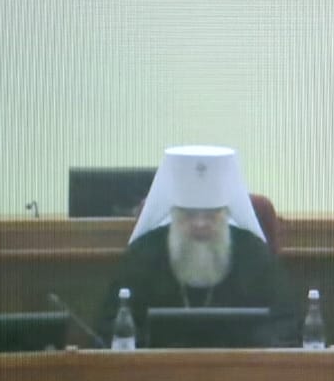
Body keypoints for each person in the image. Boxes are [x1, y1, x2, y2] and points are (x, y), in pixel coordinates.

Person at [95, 146, 297, 347]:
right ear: (173, 212)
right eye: (189, 214)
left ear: (226, 212)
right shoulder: (143, 254)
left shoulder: (253, 254)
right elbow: (110, 330)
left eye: (211, 214)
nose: (200, 223)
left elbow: (286, 326)